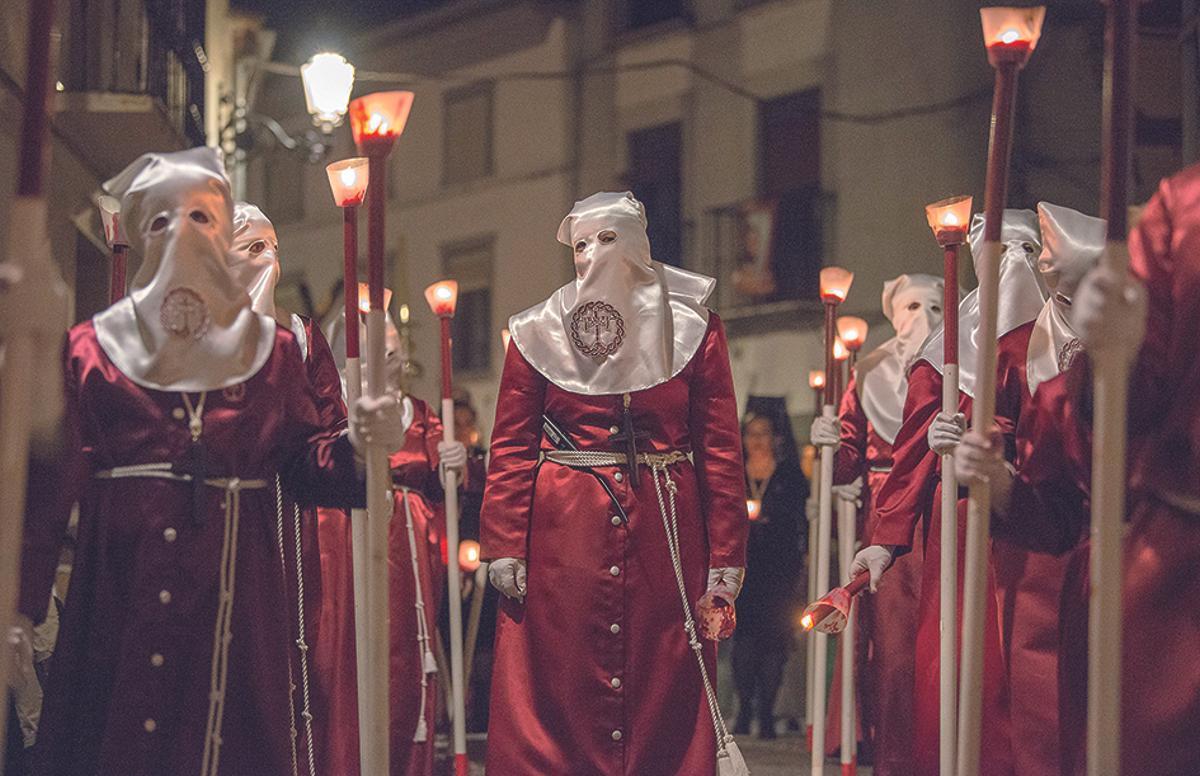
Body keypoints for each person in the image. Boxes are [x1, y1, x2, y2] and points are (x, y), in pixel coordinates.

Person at [17, 148, 407, 776]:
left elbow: (307, 463)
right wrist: (21, 606)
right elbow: (49, 486)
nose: (186, 236)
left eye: (203, 218)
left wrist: (364, 448)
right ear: (145, 232)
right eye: (166, 221)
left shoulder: (272, 352)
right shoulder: (93, 350)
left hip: (235, 604)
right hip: (118, 596)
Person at [481, 192, 749, 775]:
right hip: (563, 535)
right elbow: (511, 445)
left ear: (637, 243)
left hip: (666, 529)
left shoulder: (695, 327)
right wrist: (502, 542)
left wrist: (727, 552)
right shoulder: (536, 331)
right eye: (580, 244)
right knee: (564, 675)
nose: (592, 256)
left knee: (664, 674)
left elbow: (721, 447)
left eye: (606, 239)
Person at [852, 210, 1046, 776]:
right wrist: (886, 539)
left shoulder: (1060, 343)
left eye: (1028, 253)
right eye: (1004, 252)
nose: (1017, 266)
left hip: (1038, 532)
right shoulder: (943, 357)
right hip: (962, 528)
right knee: (961, 666)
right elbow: (910, 455)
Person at [314, 303, 464, 776]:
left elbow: (440, 485)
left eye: (397, 352)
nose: (394, 362)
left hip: (413, 546)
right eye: (384, 353)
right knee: (352, 650)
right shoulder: (339, 407)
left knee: (405, 655)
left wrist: (453, 466)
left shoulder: (420, 413)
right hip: (355, 533)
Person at [229, 201, 347, 771]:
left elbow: (331, 423)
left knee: (293, 648)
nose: (270, 257)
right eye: (254, 247)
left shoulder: (300, 336)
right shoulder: (201, 332)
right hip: (224, 512)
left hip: (285, 515)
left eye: (275, 245)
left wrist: (362, 441)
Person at [811, 272, 944, 774]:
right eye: (910, 307)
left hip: (939, 515)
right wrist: (828, 443)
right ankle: (893, 761)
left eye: (933, 306)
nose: (921, 318)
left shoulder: (962, 365)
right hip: (885, 523)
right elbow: (846, 462)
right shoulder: (867, 372)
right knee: (892, 651)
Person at [733, 396, 806, 740]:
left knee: (774, 641)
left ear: (775, 437)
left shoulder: (789, 474)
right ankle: (745, 707)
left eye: (764, 433)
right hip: (747, 566)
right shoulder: (735, 473)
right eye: (751, 434)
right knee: (744, 640)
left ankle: (767, 711)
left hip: (778, 568)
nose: (757, 440)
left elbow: (797, 519)